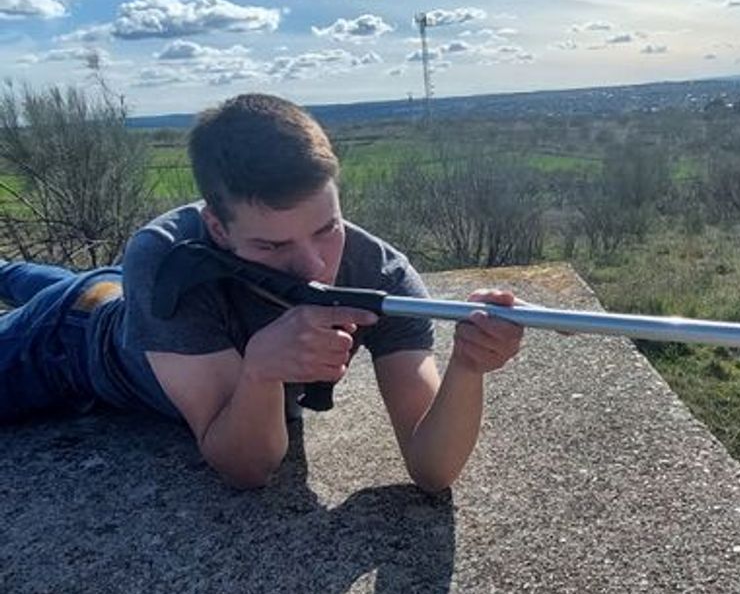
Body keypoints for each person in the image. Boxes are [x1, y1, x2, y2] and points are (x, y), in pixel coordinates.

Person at [0, 93, 523, 491]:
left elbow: (432, 470)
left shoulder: (381, 274)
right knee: (69, 296)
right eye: (273, 246)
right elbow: (245, 465)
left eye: (326, 229)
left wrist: (468, 367)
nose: (313, 264)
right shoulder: (166, 259)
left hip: (120, 296)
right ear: (218, 229)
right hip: (70, 339)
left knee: (33, 277)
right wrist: (260, 370)